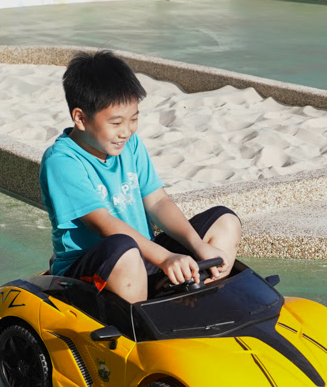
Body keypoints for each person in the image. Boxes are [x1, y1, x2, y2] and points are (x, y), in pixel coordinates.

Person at [39, 50, 241, 303]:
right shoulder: (61, 161)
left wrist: (197, 245)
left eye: (134, 119)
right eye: (116, 123)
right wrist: (165, 258)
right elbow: (103, 224)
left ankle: (208, 302)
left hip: (145, 253)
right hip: (92, 270)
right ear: (80, 118)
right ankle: (140, 331)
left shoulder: (129, 145)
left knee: (225, 220)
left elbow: (157, 201)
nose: (126, 131)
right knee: (124, 248)